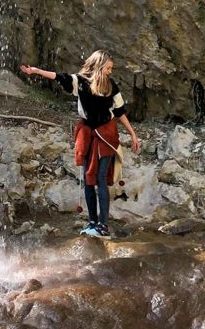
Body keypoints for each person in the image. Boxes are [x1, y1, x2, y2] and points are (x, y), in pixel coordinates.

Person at [20, 51, 141, 238]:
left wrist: (133, 134)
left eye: (111, 69)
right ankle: (92, 222)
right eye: (108, 68)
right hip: (87, 135)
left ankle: (103, 226)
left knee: (100, 178)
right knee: (87, 178)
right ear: (99, 66)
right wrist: (35, 71)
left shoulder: (111, 86)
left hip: (107, 135)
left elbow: (120, 111)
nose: (110, 72)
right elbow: (59, 77)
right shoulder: (80, 81)